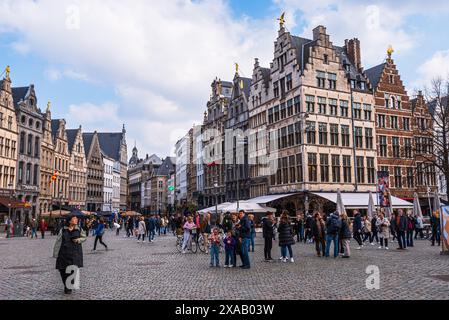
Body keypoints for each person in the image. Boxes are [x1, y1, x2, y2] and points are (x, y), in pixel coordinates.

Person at [53, 214, 86, 294]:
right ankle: (66, 284)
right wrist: (55, 253)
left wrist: (79, 240)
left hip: (75, 253)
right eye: (74, 219)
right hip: (63, 253)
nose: (76, 220)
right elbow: (58, 241)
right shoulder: (63, 230)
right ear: (69, 221)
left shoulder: (79, 229)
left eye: (76, 219)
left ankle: (68, 287)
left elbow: (84, 237)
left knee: (73, 270)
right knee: (62, 270)